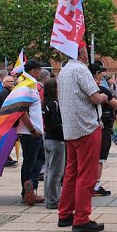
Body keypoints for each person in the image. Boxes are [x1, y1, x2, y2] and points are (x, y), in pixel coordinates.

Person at [57, 43, 108, 232]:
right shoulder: (81, 70)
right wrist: (103, 96)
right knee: (87, 174)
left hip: (70, 129)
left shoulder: (63, 71)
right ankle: (81, 218)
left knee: (71, 172)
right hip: (86, 127)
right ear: (81, 52)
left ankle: (65, 214)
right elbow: (94, 98)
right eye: (87, 50)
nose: (88, 54)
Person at [18, 60, 46, 206]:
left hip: (32, 132)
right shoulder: (28, 85)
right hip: (30, 132)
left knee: (39, 158)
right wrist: (32, 130)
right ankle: (27, 192)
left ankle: (30, 187)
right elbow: (22, 110)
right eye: (39, 70)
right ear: (35, 70)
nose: (40, 73)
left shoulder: (27, 83)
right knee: (30, 162)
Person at [90, 63, 117, 198]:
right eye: (100, 73)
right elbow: (116, 104)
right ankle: (95, 186)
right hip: (102, 126)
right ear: (96, 74)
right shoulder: (101, 90)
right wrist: (105, 100)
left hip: (84, 127)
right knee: (99, 158)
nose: (102, 75)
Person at [42, 77, 66, 210]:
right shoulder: (55, 104)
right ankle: (53, 200)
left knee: (48, 170)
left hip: (47, 138)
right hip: (57, 139)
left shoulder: (45, 102)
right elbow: (57, 123)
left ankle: (49, 197)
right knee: (56, 172)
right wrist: (65, 133)